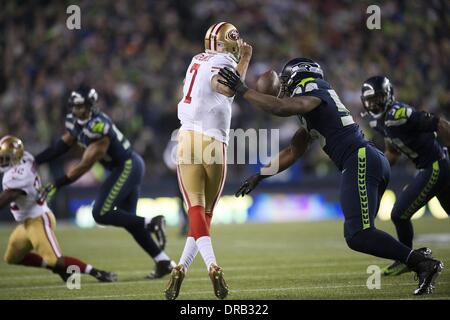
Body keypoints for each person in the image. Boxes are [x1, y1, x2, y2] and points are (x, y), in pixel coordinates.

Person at [218, 58, 444, 295]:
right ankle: (417, 258)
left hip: (360, 159)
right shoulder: (312, 106)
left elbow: (280, 108)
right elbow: (294, 151)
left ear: (299, 76)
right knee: (364, 234)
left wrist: (243, 90)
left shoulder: (313, 88)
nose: (282, 86)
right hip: (368, 159)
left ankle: (421, 262)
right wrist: (260, 175)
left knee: (358, 234)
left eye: (286, 80)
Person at [35, 85, 174, 279]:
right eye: (76, 106)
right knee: (130, 222)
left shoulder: (98, 126)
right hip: (122, 167)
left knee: (100, 213)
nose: (79, 110)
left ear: (91, 105)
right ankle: (163, 261)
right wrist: (35, 160)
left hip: (127, 166)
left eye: (83, 106)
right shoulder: (75, 123)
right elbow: (60, 147)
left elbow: (85, 165)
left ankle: (152, 222)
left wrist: (57, 183)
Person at [164, 22, 252, 300]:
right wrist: (246, 59)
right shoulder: (225, 59)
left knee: (195, 213)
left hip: (187, 137)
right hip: (213, 141)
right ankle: (212, 265)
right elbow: (225, 88)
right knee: (206, 214)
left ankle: (180, 268)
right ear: (229, 43)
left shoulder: (195, 59)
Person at [360, 75, 450, 275]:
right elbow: (392, 151)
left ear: (389, 95)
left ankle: (406, 259)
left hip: (435, 165)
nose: (374, 104)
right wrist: (378, 169)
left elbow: (441, 124)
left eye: (378, 98)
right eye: (370, 101)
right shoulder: (379, 122)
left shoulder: (399, 114)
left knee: (399, 213)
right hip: (432, 166)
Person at [0, 135, 116, 283]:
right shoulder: (26, 158)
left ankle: (97, 273)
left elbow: (5, 199)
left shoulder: (17, 176)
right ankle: (59, 270)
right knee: (12, 257)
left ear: (15, 157)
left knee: (55, 260)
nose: (2, 161)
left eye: (5, 158)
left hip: (38, 219)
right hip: (26, 223)